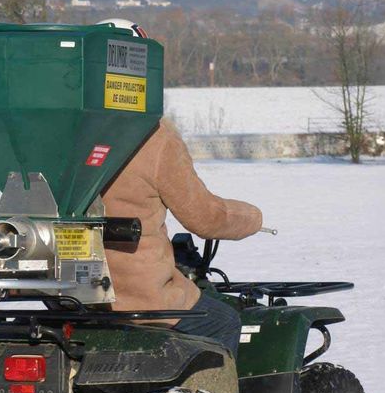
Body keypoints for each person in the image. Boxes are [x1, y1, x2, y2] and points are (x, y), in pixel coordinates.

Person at [99, 19, 263, 358]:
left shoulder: (61, 134)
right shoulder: (153, 137)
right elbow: (205, 218)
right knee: (224, 322)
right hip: (141, 297)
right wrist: (253, 217)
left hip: (67, 300)